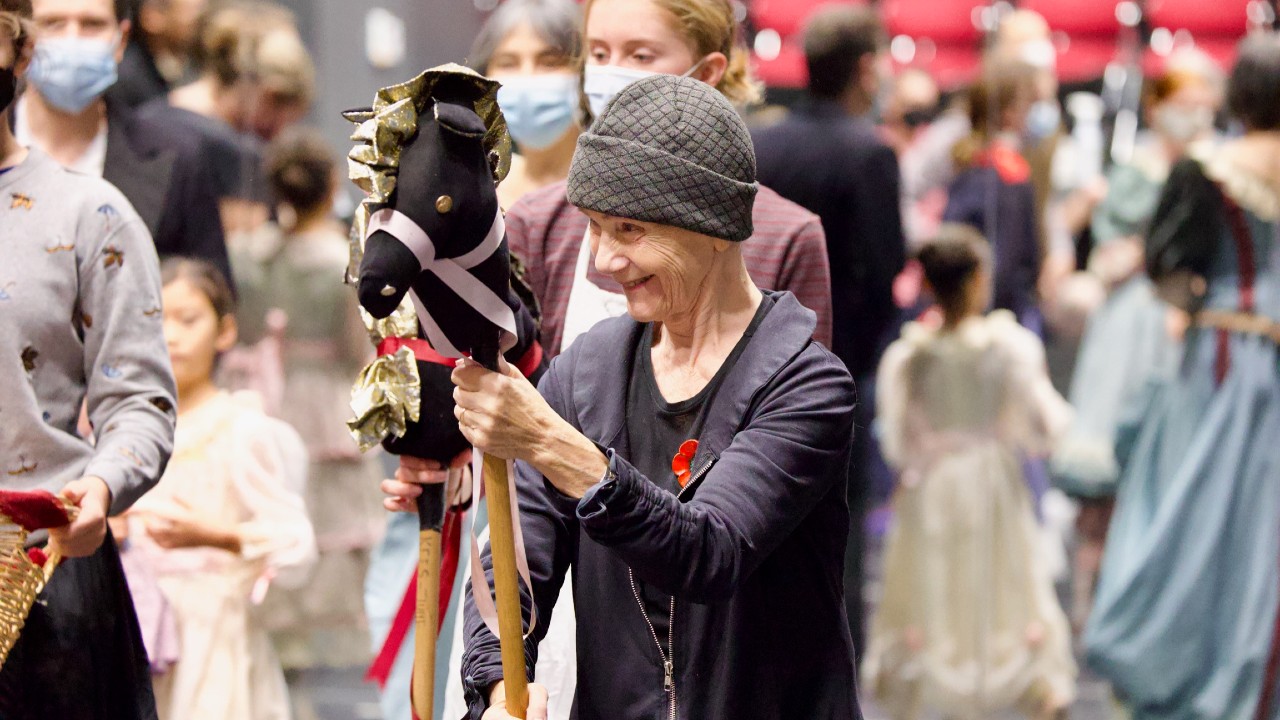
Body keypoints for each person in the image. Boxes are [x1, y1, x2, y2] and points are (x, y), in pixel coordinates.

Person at [383, 75, 860, 720]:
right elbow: (517, 556)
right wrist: (498, 681)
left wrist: (552, 444)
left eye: (630, 230)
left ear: (715, 226)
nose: (602, 261)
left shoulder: (806, 384)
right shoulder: (591, 369)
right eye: (594, 229)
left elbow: (708, 553)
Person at [362, 3, 585, 719]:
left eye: (550, 62)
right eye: (509, 65)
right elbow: (391, 340)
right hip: (450, 497)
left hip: (560, 497)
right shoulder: (429, 208)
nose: (529, 82)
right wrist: (413, 440)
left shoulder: (604, 218)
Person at [1085, 34, 1280, 719]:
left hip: (1226, 355)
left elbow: (1166, 268)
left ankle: (1198, 668)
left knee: (1205, 516)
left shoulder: (1209, 167)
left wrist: (1198, 306)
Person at [0, 2, 176, 716]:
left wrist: (99, 490)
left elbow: (138, 399)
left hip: (44, 567)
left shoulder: (88, 213)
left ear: (19, 52)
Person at [505, 0, 833, 357]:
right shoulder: (538, 222)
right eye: (599, 54)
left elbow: (795, 400)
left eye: (641, 57)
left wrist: (538, 418)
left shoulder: (787, 238)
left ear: (706, 72)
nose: (611, 75)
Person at [862, 224, 1076, 720]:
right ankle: (1023, 688)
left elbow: (896, 441)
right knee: (1000, 584)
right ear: (979, 279)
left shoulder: (909, 356)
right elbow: (1046, 423)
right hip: (992, 482)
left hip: (934, 485)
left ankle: (940, 690)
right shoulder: (1007, 346)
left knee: (938, 585)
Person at [751, 6, 907, 661]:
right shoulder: (869, 151)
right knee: (834, 539)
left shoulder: (762, 140)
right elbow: (885, 271)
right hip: (835, 369)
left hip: (755, 362)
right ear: (866, 68)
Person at [1050, 53, 1223, 629]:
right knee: (1105, 475)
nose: (1196, 117)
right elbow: (1111, 250)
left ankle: (1150, 612)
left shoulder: (1211, 166)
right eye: (1186, 105)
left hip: (1184, 327)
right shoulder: (1137, 171)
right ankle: (1089, 610)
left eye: (1204, 106)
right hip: (1131, 327)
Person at [123, 258, 317, 720]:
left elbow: (295, 543)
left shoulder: (240, 429)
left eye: (187, 320)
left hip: (213, 638)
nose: (170, 336)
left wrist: (218, 536)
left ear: (224, 331)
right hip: (135, 630)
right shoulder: (125, 432)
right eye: (156, 320)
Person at [224, 128, 385, 674]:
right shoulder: (346, 257)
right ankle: (332, 653)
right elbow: (356, 347)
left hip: (260, 393)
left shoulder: (248, 254)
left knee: (272, 504)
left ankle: (278, 638)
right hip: (323, 394)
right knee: (326, 515)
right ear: (331, 185)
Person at [13, 0, 230, 285]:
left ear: (121, 40)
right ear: (19, 40)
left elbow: (212, 296)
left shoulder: (177, 159)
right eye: (52, 23)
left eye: (92, 24)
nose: (72, 40)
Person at [145, 0, 312, 234]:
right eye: (279, 116)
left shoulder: (149, 116)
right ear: (267, 93)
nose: (278, 130)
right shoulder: (236, 153)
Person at [943, 60, 1042, 327]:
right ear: (1009, 112)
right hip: (998, 316)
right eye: (1029, 105)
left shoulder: (966, 162)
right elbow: (1009, 263)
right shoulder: (1009, 172)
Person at [469, 0, 581, 210]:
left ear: (583, 70)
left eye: (550, 62)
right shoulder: (479, 189)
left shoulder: (606, 192)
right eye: (508, 63)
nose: (527, 77)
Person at [108, 0, 205, 108]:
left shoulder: (194, 66)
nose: (201, 20)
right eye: (191, 11)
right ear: (153, 17)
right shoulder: (124, 79)